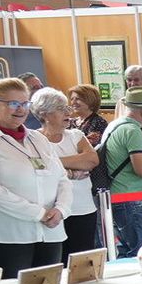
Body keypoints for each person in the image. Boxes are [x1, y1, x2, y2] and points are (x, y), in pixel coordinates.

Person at [0, 77, 69, 277]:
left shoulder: (37, 138)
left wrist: (60, 209)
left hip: (50, 229)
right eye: (13, 104)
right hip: (6, 231)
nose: (21, 109)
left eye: (25, 103)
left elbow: (62, 178)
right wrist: (38, 213)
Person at [30, 87, 100, 260]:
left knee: (84, 262)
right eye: (61, 109)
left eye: (66, 107)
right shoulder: (33, 139)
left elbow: (91, 160)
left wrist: (54, 164)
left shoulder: (76, 135)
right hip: (53, 211)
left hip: (83, 208)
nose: (68, 112)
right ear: (44, 114)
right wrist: (71, 172)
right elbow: (35, 168)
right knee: (56, 261)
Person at [99, 87, 142, 256]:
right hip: (130, 198)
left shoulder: (115, 125)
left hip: (115, 195)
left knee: (126, 249)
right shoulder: (133, 131)